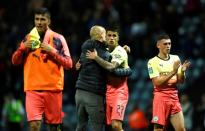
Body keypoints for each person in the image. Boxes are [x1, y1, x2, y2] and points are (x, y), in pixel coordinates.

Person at [11, 7, 73, 131]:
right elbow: (15, 61)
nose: (39, 22)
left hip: (53, 90)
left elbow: (69, 64)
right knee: (34, 126)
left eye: (42, 19)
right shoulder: (28, 38)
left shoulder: (58, 38)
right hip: (33, 89)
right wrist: (22, 48)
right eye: (37, 19)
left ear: (48, 21)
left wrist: (52, 51)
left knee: (54, 128)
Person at [75, 25, 131, 131]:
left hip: (119, 91)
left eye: (114, 36)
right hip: (106, 91)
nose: (111, 38)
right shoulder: (104, 50)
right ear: (104, 37)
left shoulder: (119, 51)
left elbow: (111, 67)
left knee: (116, 125)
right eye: (109, 35)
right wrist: (80, 62)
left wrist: (95, 57)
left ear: (118, 38)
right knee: (108, 126)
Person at [147, 33, 191, 131]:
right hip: (161, 98)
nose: (168, 46)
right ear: (158, 45)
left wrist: (182, 72)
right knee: (158, 129)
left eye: (169, 44)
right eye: (165, 44)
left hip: (174, 97)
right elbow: (157, 82)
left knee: (181, 129)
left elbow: (181, 81)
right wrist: (173, 72)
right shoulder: (152, 62)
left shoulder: (176, 58)